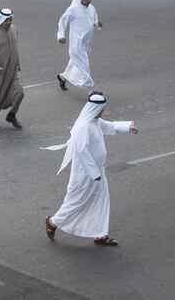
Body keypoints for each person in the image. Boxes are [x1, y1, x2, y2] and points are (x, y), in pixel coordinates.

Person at [43, 93, 138, 247]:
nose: (102, 112)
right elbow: (82, 151)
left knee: (101, 201)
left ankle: (100, 234)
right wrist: (94, 173)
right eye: (101, 109)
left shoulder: (95, 122)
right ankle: (53, 222)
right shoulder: (84, 126)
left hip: (98, 173)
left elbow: (111, 126)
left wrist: (129, 127)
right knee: (77, 202)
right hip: (85, 175)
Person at [56, 0, 102, 92]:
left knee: (75, 64)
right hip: (76, 45)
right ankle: (91, 90)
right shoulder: (73, 9)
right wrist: (61, 36)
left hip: (86, 44)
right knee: (84, 67)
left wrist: (98, 24)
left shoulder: (92, 8)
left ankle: (62, 77)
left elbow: (95, 22)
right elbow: (62, 21)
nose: (89, 0)